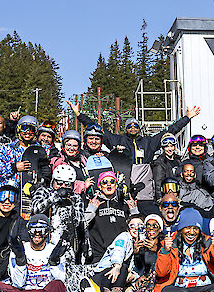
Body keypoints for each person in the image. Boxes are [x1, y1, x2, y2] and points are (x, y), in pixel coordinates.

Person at [70, 101, 198, 167]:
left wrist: (187, 118)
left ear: (139, 128)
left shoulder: (148, 142)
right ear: (125, 129)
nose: (132, 128)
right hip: (124, 173)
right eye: (129, 126)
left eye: (135, 126)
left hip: (144, 173)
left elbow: (170, 131)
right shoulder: (118, 140)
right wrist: (79, 115)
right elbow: (97, 128)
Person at [0, 215, 67, 292]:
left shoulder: (54, 250)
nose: (37, 234)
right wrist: (20, 262)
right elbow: (18, 284)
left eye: (42, 230)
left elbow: (60, 282)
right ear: (28, 231)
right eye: (33, 230)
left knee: (57, 285)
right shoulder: (19, 249)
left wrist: (54, 263)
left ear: (48, 231)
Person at [30, 164, 86, 265]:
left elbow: (80, 221)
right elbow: (35, 209)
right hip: (45, 242)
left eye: (67, 184)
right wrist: (55, 196)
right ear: (53, 182)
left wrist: (70, 206)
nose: (63, 187)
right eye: (59, 183)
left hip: (67, 245)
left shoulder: (76, 198)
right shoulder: (43, 191)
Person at [83, 170, 139, 264]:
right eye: (104, 182)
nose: (109, 185)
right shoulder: (93, 203)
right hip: (99, 257)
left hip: (121, 256)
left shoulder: (123, 204)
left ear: (116, 185)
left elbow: (137, 228)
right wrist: (91, 209)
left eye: (112, 182)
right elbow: (82, 225)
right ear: (100, 186)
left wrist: (133, 210)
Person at [90, 215, 146, 292]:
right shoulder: (124, 236)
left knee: (125, 269)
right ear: (128, 229)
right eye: (132, 226)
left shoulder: (144, 243)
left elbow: (140, 267)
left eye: (140, 225)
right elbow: (118, 250)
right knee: (123, 266)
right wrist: (117, 266)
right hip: (106, 273)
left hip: (121, 277)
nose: (136, 228)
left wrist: (133, 276)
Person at [0, 115, 46, 199]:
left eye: (31, 129)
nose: (28, 132)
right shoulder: (7, 148)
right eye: (24, 128)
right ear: (19, 129)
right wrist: (13, 167)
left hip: (28, 196)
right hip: (7, 196)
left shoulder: (40, 151)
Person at [0, 185, 24, 281]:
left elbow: (25, 237)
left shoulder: (17, 219)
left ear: (16, 202)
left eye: (11, 198)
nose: (7, 202)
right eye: (2, 197)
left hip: (2, 260)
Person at [50, 129, 89, 195]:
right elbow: (64, 183)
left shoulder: (83, 159)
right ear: (63, 146)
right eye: (68, 145)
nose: (71, 148)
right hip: (68, 199)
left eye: (75, 146)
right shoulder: (59, 161)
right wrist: (84, 185)